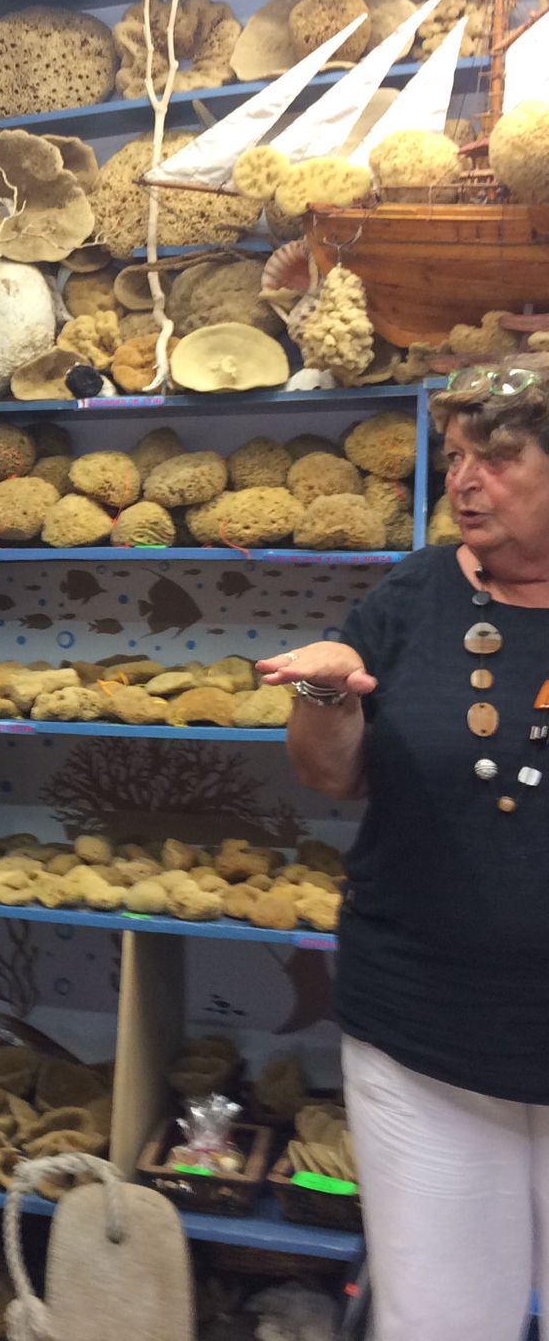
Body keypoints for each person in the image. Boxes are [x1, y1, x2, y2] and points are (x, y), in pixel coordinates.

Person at [257, 363, 549, 1341]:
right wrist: (325, 693)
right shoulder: (413, 596)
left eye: (495, 459)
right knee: (437, 1320)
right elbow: (332, 775)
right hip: (423, 1036)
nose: (463, 481)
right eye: (454, 457)